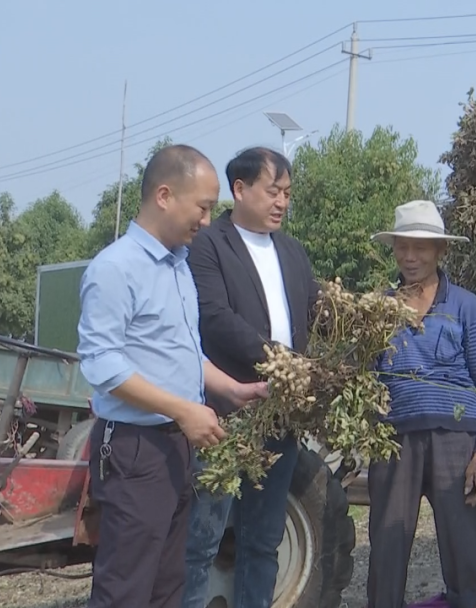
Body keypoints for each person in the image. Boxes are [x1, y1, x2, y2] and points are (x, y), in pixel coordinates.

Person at [77, 144, 270, 608]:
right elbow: (102, 365)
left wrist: (231, 388)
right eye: (202, 207)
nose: (207, 220)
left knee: (168, 585)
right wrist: (184, 410)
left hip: (176, 448)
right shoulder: (116, 268)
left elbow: (185, 354)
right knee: (126, 588)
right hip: (135, 449)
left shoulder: (179, 265)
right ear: (164, 196)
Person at [181, 146, 319, 608]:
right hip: (224, 414)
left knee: (263, 540)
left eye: (288, 193)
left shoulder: (293, 251)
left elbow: (314, 310)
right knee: (202, 539)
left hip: (280, 418)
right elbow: (215, 317)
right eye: (273, 191)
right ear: (239, 190)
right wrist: (282, 361)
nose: (282, 202)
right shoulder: (208, 244)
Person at [367, 199, 476, 608]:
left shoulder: (465, 305)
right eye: (402, 246)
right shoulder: (379, 308)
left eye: (420, 247)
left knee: (466, 551)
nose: (410, 256)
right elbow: (366, 380)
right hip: (395, 441)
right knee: (387, 549)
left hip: (456, 443)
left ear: (440, 250)